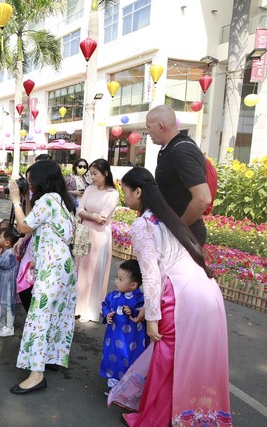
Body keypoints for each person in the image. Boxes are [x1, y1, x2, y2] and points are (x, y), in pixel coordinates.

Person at [108, 167, 231, 427]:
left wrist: (152, 317)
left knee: (166, 359)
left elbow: (152, 275)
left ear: (138, 192)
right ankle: (193, 417)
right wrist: (149, 310)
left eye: (126, 192)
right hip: (207, 292)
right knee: (193, 361)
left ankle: (154, 420)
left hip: (181, 297)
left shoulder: (143, 224)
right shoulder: (168, 218)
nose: (124, 197)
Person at [7, 160, 77, 394]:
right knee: (57, 314)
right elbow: (35, 224)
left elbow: (24, 225)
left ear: (42, 179)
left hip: (52, 267)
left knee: (39, 316)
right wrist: (26, 199)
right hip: (63, 264)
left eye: (31, 180)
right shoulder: (61, 200)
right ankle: (51, 357)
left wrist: (16, 200)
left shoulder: (47, 200)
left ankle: (36, 375)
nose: (29, 183)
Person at [146, 105, 211, 246]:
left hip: (186, 234)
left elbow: (203, 198)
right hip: (175, 229)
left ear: (160, 127)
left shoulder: (181, 150)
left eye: (149, 127)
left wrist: (179, 227)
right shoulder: (169, 148)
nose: (147, 132)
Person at [75, 159, 120, 323]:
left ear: (105, 173)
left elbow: (102, 218)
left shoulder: (112, 194)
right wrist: (91, 216)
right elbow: (79, 209)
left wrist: (88, 215)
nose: (92, 177)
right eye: (90, 174)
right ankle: (77, 306)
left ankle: (91, 309)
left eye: (95, 174)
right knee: (81, 269)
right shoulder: (89, 189)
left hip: (99, 235)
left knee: (95, 270)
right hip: (84, 233)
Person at [100, 259, 146, 394]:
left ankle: (129, 387)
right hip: (114, 337)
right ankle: (113, 384)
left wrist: (131, 311)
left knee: (130, 358)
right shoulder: (112, 295)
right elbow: (105, 305)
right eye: (117, 278)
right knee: (113, 357)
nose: (116, 282)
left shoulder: (140, 298)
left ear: (133, 285)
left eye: (120, 279)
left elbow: (141, 311)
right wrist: (107, 314)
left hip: (132, 339)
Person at [0, 227, 20, 337]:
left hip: (8, 285)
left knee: (8, 305)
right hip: (3, 283)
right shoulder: (6, 251)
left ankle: (9, 326)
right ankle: (1, 321)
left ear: (7, 242)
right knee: (1, 302)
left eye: (0, 236)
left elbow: (4, 264)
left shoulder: (11, 253)